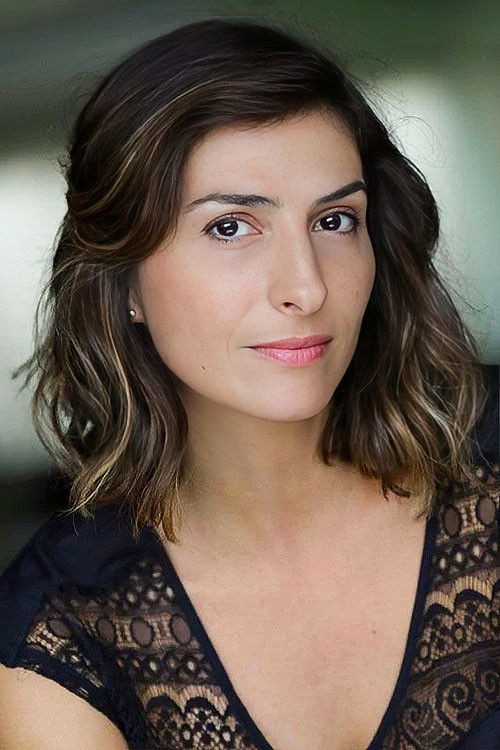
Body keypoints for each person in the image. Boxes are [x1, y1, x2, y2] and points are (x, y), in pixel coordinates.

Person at [0, 17, 498, 750]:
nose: (306, 288)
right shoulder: (60, 629)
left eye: (335, 220)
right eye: (231, 227)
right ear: (125, 283)